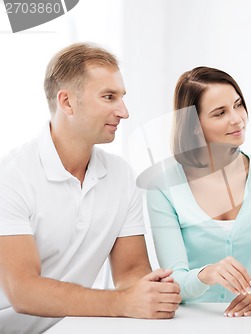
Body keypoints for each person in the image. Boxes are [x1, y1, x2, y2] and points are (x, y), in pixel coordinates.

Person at [0, 43, 181, 333]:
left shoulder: (121, 176)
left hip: (74, 327)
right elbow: (22, 290)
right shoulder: (11, 177)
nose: (124, 112)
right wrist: (121, 302)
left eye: (122, 98)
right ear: (67, 102)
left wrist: (149, 294)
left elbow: (131, 270)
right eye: (109, 97)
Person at [144, 66, 251, 317]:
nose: (237, 119)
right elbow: (175, 280)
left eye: (238, 105)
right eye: (220, 113)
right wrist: (206, 274)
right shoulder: (162, 184)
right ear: (193, 124)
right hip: (188, 320)